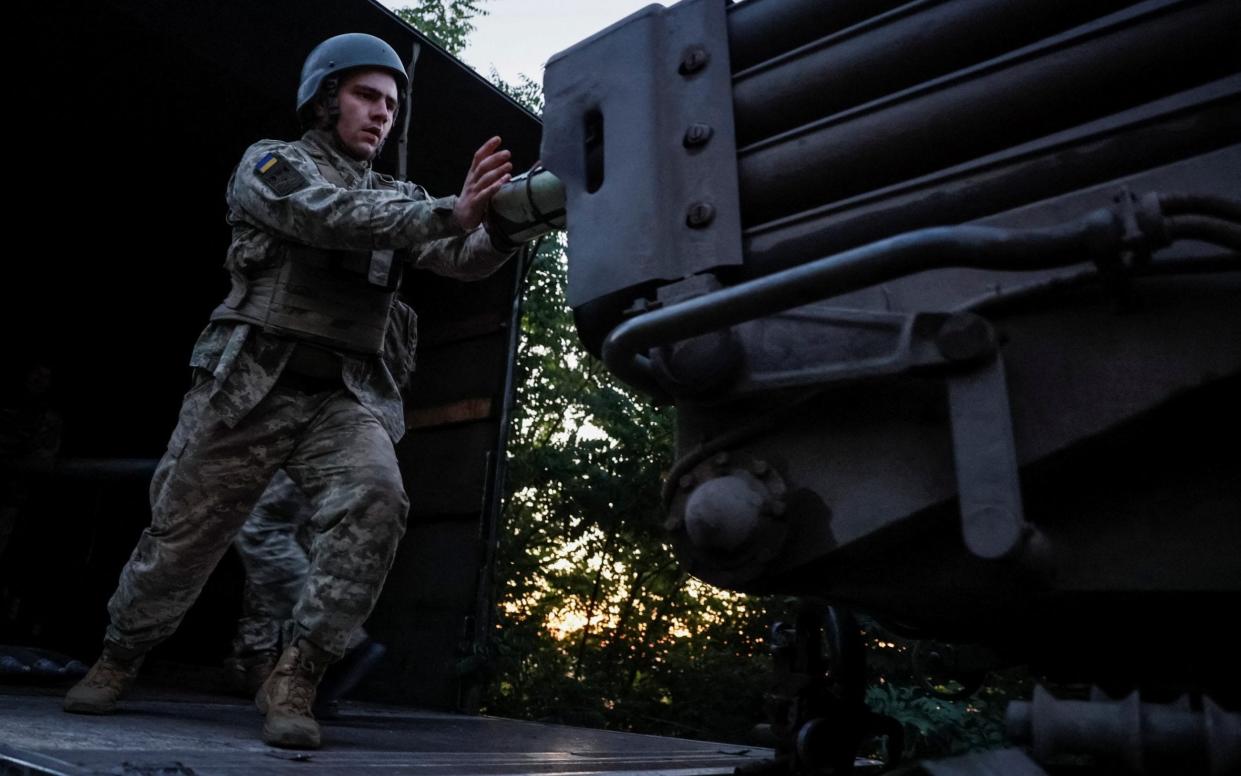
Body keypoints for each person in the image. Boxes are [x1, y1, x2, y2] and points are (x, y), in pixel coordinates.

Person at [64, 32, 516, 750]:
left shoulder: (398, 196)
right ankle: (120, 655)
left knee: (377, 498)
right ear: (326, 97)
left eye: (391, 105)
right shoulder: (273, 163)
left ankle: (297, 675)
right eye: (367, 96)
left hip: (341, 396)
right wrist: (443, 212)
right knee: (181, 542)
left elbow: (459, 257)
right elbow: (322, 214)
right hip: (248, 390)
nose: (381, 114)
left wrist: (507, 223)